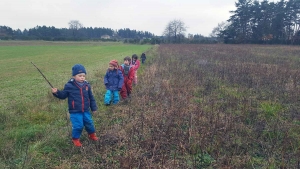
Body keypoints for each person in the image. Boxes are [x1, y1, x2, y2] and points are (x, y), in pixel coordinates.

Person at [51, 64, 98, 147]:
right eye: (80, 76)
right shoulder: (69, 86)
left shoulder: (87, 85)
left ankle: (92, 135)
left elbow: (91, 97)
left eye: (84, 76)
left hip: (86, 110)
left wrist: (94, 108)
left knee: (89, 123)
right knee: (78, 126)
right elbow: (63, 95)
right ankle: (75, 139)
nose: (82, 77)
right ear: (74, 76)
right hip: (75, 111)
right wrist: (57, 92)